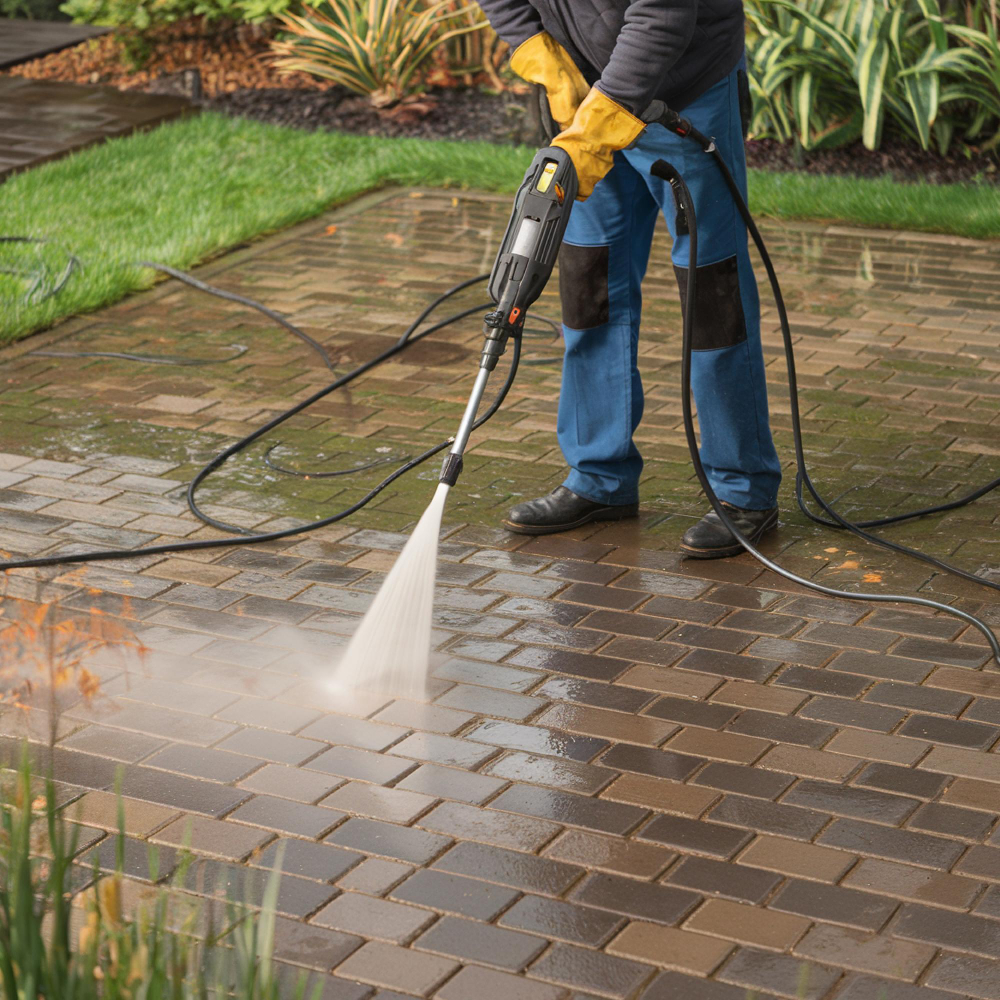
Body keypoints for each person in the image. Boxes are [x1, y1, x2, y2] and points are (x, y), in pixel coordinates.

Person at [476, 0, 782, 559]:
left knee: (712, 294)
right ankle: (600, 476)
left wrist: (601, 124)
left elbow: (662, 16)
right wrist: (540, 55)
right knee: (588, 286)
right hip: (581, 95)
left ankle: (744, 489)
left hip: (684, 91)